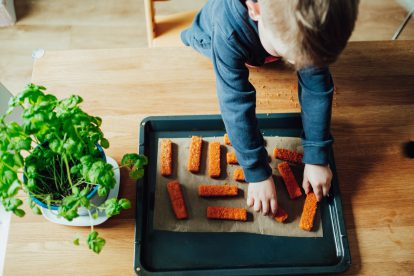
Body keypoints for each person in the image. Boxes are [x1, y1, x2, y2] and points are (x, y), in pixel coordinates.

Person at [181, 0, 359, 216]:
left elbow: (316, 88)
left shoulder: (309, 25)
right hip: (211, 38)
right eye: (295, 59)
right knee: (215, 46)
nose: (299, 65)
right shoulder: (227, 30)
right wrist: (257, 172)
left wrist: (317, 154)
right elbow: (235, 104)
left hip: (266, 43)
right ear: (255, 10)